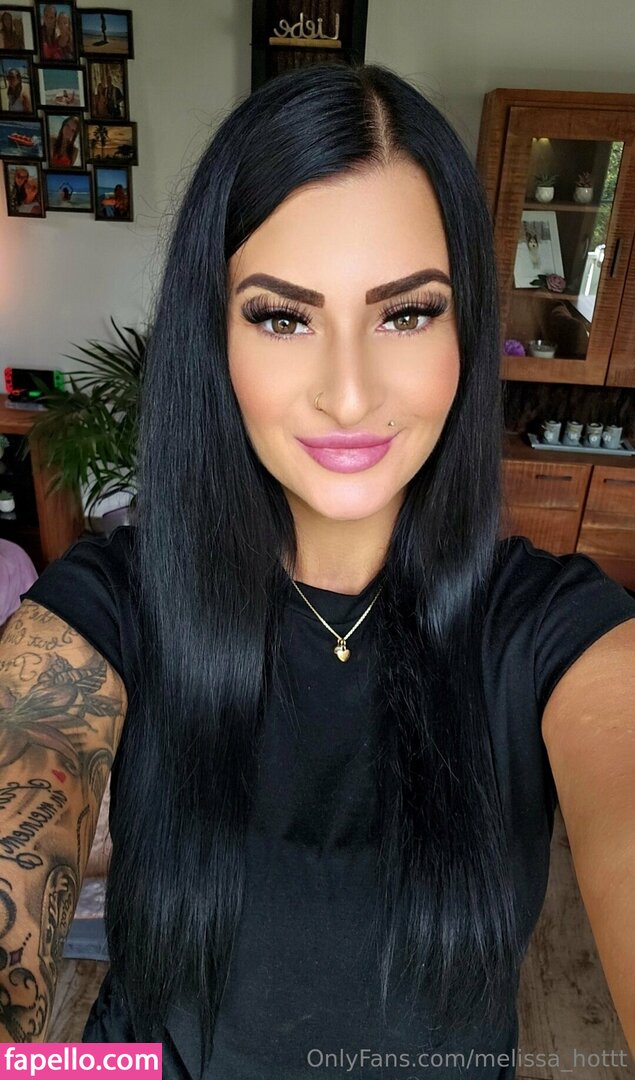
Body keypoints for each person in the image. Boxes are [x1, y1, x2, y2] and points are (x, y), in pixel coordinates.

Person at [2, 62, 634, 1073]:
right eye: (281, 316)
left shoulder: (556, 633)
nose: (347, 393)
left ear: (467, 330)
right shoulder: (104, 613)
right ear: (215, 336)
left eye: (406, 313)